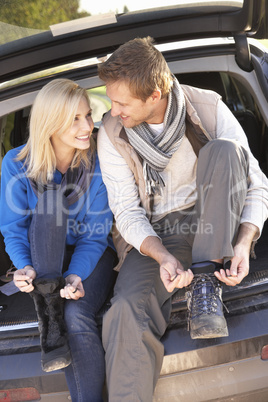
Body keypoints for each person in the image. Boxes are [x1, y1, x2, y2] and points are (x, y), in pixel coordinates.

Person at [97, 36, 268, 400]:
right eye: (111, 100)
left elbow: (256, 183)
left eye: (121, 102)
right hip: (157, 233)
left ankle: (206, 283)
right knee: (126, 309)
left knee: (225, 151)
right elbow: (126, 211)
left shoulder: (207, 106)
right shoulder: (111, 133)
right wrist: (162, 256)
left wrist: (242, 242)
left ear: (155, 95)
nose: (113, 111)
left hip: (216, 220)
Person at [0, 78, 116, 402]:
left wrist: (77, 274)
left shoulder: (97, 162)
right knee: (50, 205)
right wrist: (23, 267)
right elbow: (14, 229)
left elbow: (95, 234)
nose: (86, 126)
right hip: (43, 256)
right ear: (50, 124)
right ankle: (47, 303)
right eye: (74, 119)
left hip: (90, 253)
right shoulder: (16, 164)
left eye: (87, 116)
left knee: (77, 315)